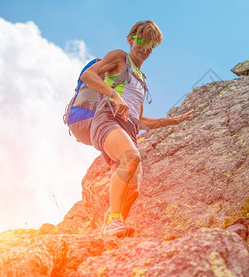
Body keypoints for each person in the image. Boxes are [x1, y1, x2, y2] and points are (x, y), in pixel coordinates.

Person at [80, 20, 194, 237]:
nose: (145, 48)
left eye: (152, 45)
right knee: (131, 158)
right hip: (107, 119)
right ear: (131, 38)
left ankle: (112, 226)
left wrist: (175, 121)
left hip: (128, 128)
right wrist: (114, 95)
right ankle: (114, 222)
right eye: (142, 41)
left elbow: (141, 121)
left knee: (133, 188)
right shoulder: (119, 57)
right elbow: (88, 75)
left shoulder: (142, 79)